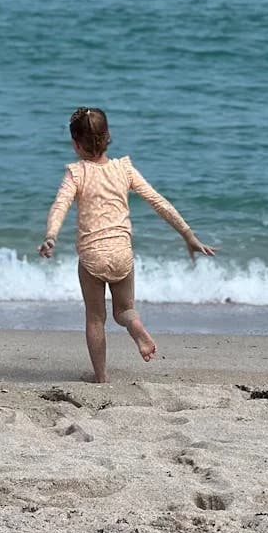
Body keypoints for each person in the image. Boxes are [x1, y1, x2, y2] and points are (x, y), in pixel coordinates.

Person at [40, 107, 216, 383]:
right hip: (122, 255)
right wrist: (188, 235)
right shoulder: (124, 169)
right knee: (123, 311)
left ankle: (101, 376)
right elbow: (159, 202)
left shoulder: (76, 174)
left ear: (75, 144)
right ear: (109, 137)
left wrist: (51, 235)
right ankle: (136, 327)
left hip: (92, 258)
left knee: (95, 319)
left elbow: (60, 205)